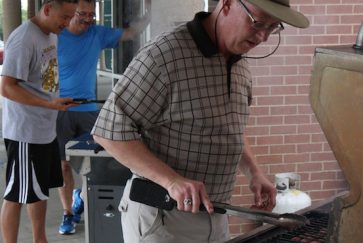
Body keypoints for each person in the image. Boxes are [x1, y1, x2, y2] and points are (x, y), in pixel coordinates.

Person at [92, 0, 309, 242]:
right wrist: (171, 180)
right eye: (258, 23)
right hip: (163, 219)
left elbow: (227, 127)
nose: (263, 37)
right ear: (227, 4)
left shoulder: (240, 61)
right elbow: (108, 131)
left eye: (273, 27)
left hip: (217, 216)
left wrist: (253, 172)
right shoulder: (165, 55)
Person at [56, 0, 151, 235]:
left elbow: (131, 33)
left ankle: (83, 196)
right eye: (83, 14)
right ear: (70, 13)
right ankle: (68, 212)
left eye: (92, 14)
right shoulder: (56, 36)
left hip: (89, 110)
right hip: (60, 111)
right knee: (63, 166)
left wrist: (152, 14)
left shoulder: (97, 34)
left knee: (100, 164)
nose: (88, 19)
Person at [0, 1, 79, 243]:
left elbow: (44, 81)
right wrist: (50, 105)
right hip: (25, 132)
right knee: (15, 195)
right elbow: (6, 87)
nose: (67, 23)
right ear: (47, 9)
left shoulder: (51, 35)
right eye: (64, 17)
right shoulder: (24, 39)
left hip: (45, 129)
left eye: (70, 17)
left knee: (39, 190)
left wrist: (56, 101)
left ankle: (39, 239)